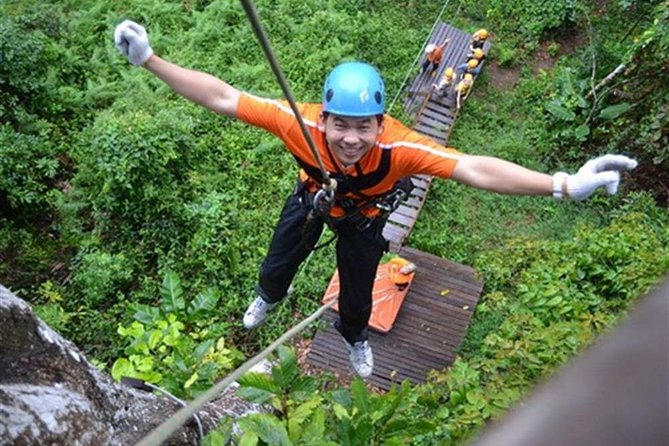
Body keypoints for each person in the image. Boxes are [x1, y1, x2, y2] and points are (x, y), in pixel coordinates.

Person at [114, 20, 638, 378]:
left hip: (364, 218)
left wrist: (562, 183)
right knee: (277, 264)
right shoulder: (300, 123)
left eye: (363, 127)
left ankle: (354, 337)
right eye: (341, 124)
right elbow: (225, 97)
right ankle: (268, 299)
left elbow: (472, 168)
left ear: (380, 123)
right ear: (324, 118)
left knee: (359, 292)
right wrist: (151, 61)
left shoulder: (401, 146)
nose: (350, 138)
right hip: (314, 199)